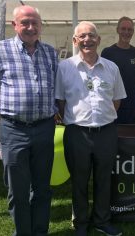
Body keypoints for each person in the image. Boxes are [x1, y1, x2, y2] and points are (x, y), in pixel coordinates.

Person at [0, 5, 57, 235]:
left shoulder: (50, 53)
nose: (31, 27)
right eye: (25, 23)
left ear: (41, 25)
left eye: (35, 23)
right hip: (14, 130)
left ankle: (39, 231)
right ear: (15, 25)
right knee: (18, 190)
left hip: (44, 128)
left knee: (42, 188)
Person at [55, 21, 126, 236]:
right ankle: (81, 224)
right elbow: (60, 101)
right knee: (79, 180)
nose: (87, 40)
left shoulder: (111, 67)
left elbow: (116, 101)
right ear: (75, 41)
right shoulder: (64, 67)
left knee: (104, 179)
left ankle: (102, 221)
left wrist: (101, 119)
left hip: (106, 132)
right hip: (77, 133)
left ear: (99, 40)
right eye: (82, 36)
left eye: (91, 36)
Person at [101, 16, 135, 124]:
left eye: (129, 29)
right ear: (117, 30)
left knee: (134, 137)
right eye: (123, 29)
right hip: (113, 105)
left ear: (133, 32)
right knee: (114, 138)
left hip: (132, 105)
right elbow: (103, 80)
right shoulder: (107, 53)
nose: (126, 32)